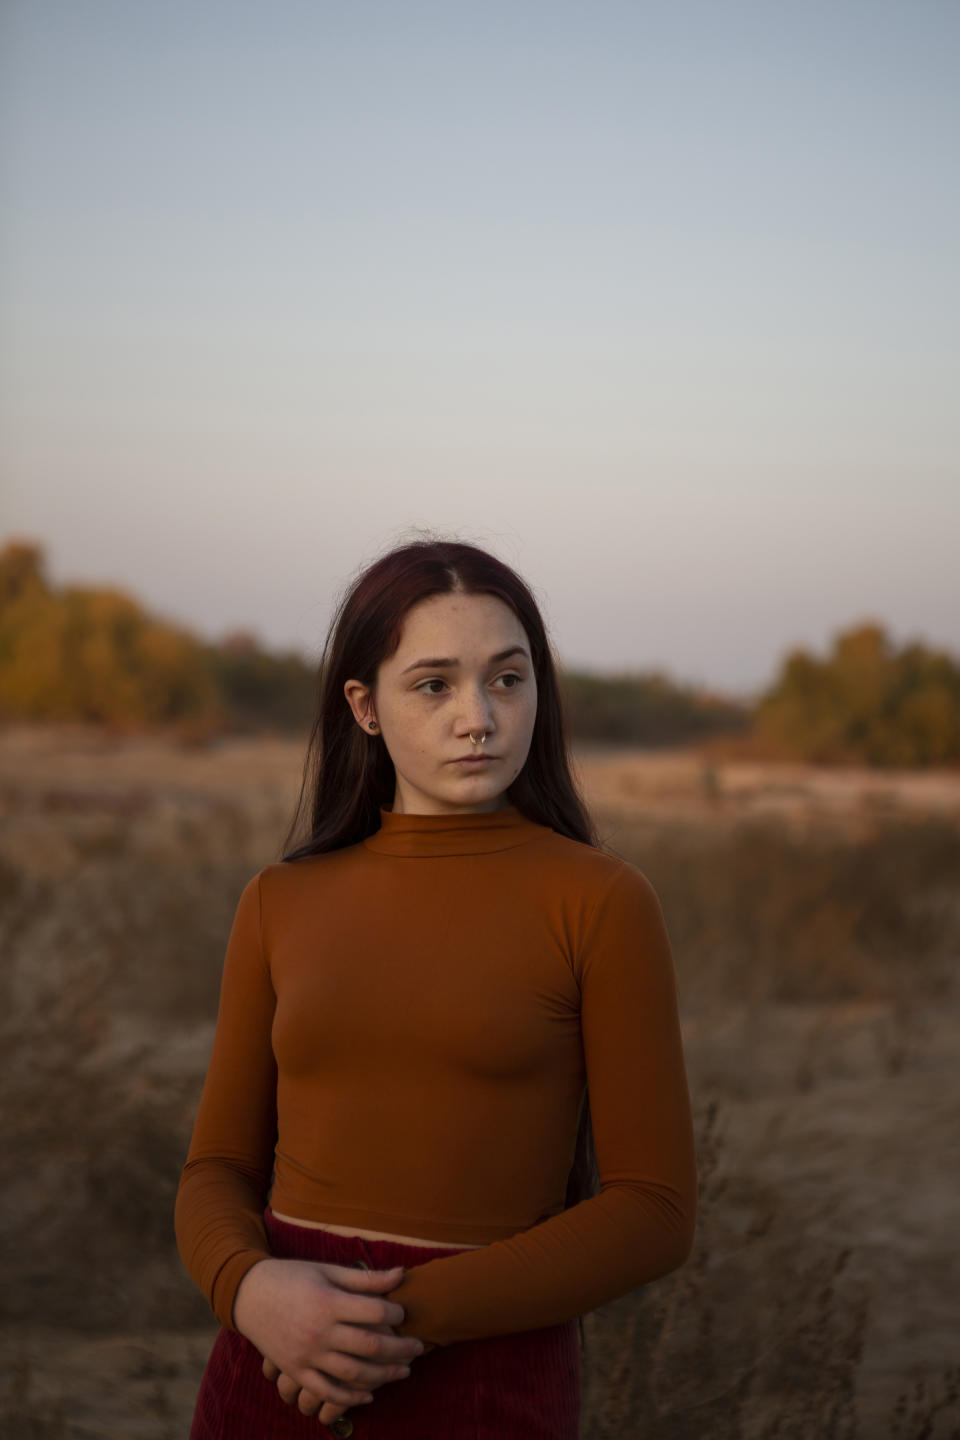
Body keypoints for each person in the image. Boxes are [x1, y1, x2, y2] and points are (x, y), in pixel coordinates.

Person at [175, 536, 698, 1438]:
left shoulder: (602, 901)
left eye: (508, 678)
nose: (479, 718)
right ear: (364, 706)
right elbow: (217, 1169)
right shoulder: (280, 901)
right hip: (274, 1361)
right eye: (434, 685)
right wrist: (251, 1288)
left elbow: (653, 1211)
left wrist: (391, 1319)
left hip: (484, 1376)